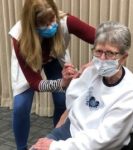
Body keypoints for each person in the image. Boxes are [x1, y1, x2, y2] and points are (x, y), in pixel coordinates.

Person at [30, 21, 133, 150]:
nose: (102, 59)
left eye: (110, 53)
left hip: (97, 145)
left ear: (123, 57)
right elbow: (72, 103)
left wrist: (56, 146)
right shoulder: (91, 71)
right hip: (72, 131)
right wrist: (56, 133)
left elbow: (104, 139)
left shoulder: (131, 91)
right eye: (98, 51)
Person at [9, 0, 95, 149]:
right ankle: (21, 148)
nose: (51, 26)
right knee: (20, 106)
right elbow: (36, 84)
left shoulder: (65, 21)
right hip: (30, 60)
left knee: (62, 100)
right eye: (44, 24)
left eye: (52, 19)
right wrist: (61, 83)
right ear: (32, 24)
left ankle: (56, 142)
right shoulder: (19, 37)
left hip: (54, 58)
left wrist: (94, 62)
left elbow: (100, 38)